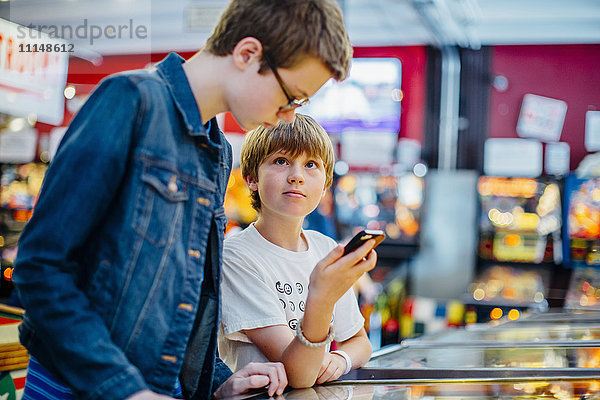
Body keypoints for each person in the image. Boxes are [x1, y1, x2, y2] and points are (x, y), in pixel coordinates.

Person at [12, 0, 353, 399]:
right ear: (247, 54)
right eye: (291, 97)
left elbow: (190, 296)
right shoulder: (129, 101)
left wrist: (215, 380)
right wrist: (126, 390)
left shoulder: (218, 149)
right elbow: (40, 267)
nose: (289, 116)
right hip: (73, 386)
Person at [218, 114, 376, 388]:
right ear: (251, 178)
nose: (297, 176)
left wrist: (340, 360)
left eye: (311, 164)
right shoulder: (235, 256)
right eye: (281, 161)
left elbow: (360, 342)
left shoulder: (325, 248)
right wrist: (323, 297)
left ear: (325, 185)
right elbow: (299, 374)